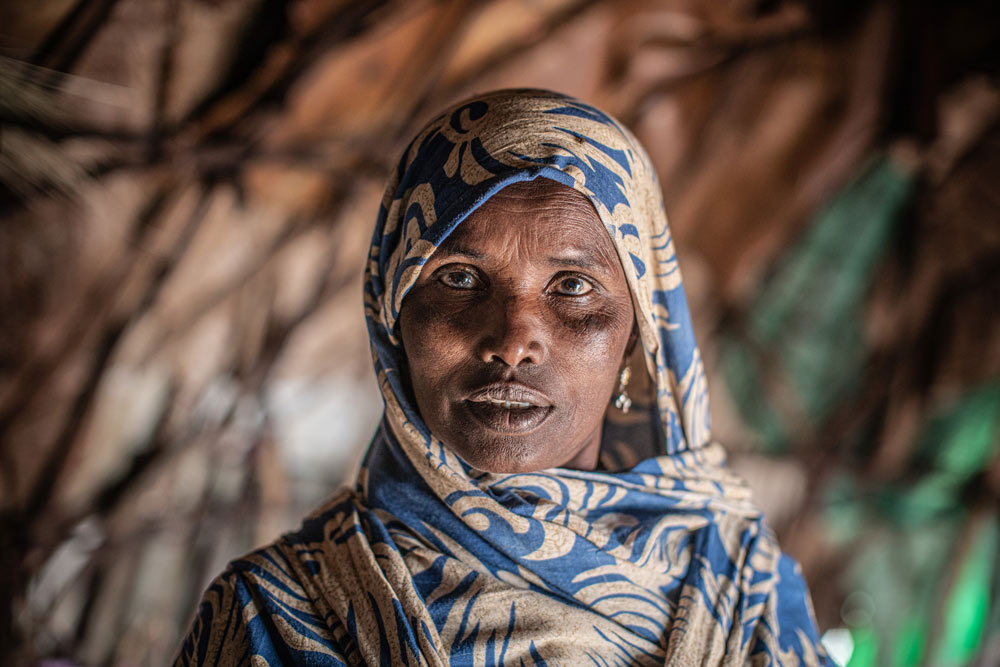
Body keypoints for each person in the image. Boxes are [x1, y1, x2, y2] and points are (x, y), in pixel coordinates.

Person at [174, 89, 830, 666]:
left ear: (638, 337)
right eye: (460, 279)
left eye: (573, 286)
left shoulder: (751, 601)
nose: (513, 341)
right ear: (392, 313)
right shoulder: (276, 618)